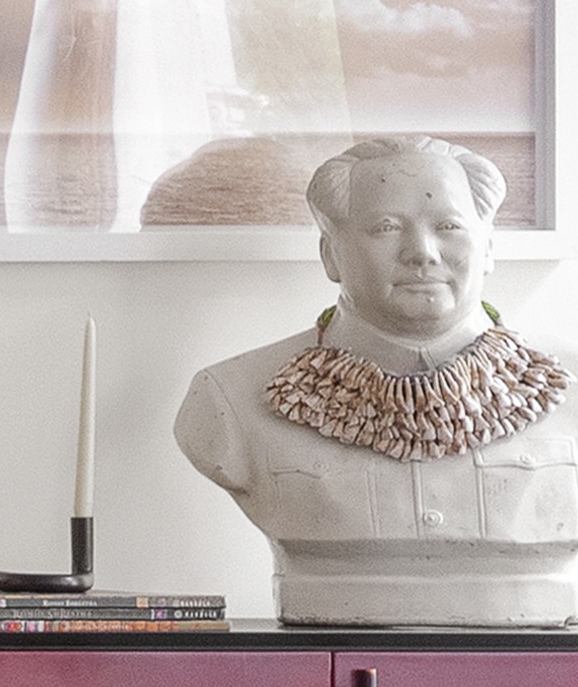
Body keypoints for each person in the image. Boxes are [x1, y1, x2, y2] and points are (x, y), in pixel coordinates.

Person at [172, 131, 578, 625]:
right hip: (328, 654)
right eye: (386, 228)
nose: (422, 252)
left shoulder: (567, 383)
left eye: (448, 225)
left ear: (488, 248)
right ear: (330, 254)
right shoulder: (230, 399)